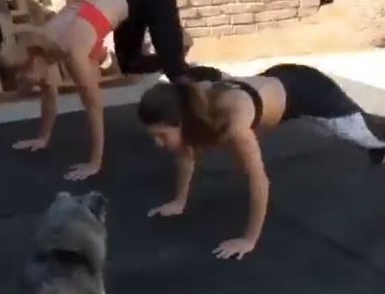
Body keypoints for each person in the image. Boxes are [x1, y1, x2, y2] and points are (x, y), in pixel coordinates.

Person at [137, 63, 385, 260]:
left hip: (309, 91)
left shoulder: (233, 121)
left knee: (368, 135)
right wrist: (179, 202)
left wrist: (249, 240)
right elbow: (186, 153)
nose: (158, 144)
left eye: (161, 136)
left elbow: (259, 180)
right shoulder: (190, 107)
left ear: (180, 123)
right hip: (275, 81)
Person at [0, 0, 221, 181]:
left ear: (33, 59)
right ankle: (173, 51)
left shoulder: (73, 50)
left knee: (176, 75)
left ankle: (197, 86)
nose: (23, 81)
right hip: (128, 4)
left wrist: (94, 163)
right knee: (130, 65)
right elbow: (48, 97)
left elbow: (94, 107)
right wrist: (42, 138)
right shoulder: (41, 48)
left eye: (21, 75)